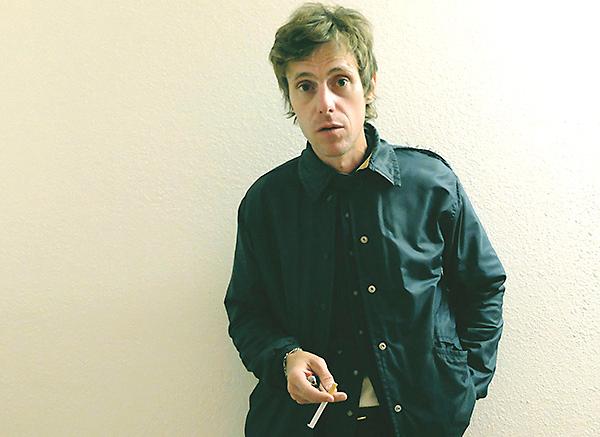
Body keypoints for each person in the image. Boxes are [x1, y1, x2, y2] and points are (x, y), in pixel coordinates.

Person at [224, 3, 506, 436]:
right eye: (305, 86)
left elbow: (483, 285)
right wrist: (285, 357)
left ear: (368, 85)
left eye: (340, 81)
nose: (325, 103)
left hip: (422, 420)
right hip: (305, 424)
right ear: (290, 98)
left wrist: (465, 385)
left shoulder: (430, 184)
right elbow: (247, 312)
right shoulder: (266, 204)